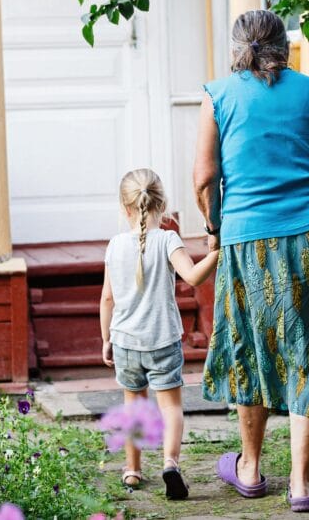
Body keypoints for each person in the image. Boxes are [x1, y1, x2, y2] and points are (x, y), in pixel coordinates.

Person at [194, 10, 309, 513]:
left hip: (247, 239)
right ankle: (301, 482)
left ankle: (251, 470)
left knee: (249, 346)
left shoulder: (218, 96)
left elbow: (203, 179)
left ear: (236, 48)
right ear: (286, 46)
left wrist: (215, 226)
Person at [100, 168, 219, 500]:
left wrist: (106, 339)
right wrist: (217, 253)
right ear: (161, 205)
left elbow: (107, 297)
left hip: (125, 341)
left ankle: (132, 470)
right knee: (170, 407)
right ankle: (170, 463)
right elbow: (193, 277)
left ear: (124, 207)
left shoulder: (114, 245)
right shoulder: (168, 239)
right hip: (162, 340)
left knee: (133, 407)